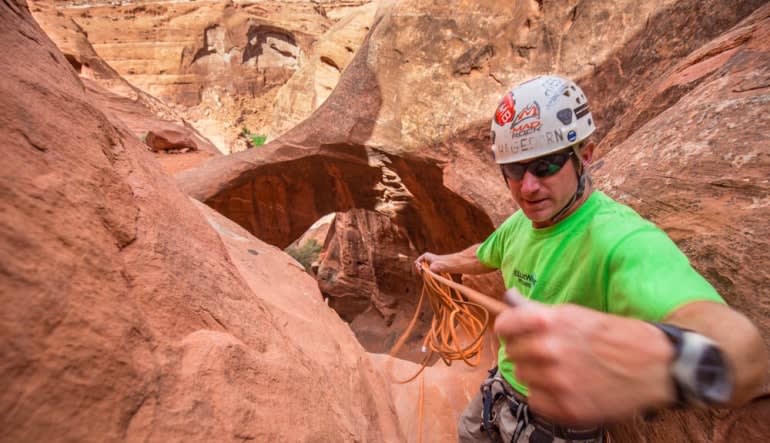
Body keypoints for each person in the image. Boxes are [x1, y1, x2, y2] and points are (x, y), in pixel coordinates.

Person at [415, 75, 768, 443]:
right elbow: (487, 253)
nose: (529, 186)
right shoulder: (521, 223)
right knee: (467, 432)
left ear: (585, 156)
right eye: (514, 170)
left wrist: (653, 362)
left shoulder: (619, 239)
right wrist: (441, 262)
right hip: (501, 393)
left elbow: (741, 353)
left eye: (547, 165)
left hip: (558, 427)